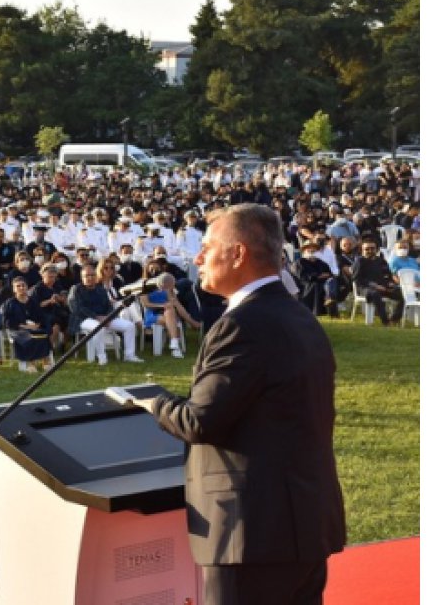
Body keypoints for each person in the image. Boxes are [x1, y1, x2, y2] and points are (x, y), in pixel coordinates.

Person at [119, 203, 346, 605]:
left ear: (238, 254)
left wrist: (152, 402)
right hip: (303, 522)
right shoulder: (298, 316)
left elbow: (199, 421)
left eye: (208, 247)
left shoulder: (242, 325)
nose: (198, 257)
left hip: (253, 533)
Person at [68, 265, 143, 365]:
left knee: (129, 326)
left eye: (92, 275)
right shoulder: (76, 289)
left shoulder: (101, 289)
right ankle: (102, 357)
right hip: (83, 319)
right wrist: (96, 317)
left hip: (104, 318)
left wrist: (108, 317)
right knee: (98, 327)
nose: (90, 278)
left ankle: (129, 355)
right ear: (82, 278)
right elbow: (77, 308)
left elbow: (109, 306)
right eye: (87, 276)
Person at [139, 272, 198, 358]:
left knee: (171, 310)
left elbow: (176, 303)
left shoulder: (168, 287)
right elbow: (146, 304)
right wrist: (162, 305)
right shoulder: (145, 285)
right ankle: (175, 347)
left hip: (168, 313)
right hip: (153, 313)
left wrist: (187, 316)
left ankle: (174, 344)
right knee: (172, 317)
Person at [1, 276, 51, 373]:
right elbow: (7, 322)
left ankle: (45, 361)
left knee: (44, 333)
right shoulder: (10, 303)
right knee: (28, 336)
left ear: (27, 287)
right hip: (17, 329)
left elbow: (41, 316)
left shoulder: (33, 301)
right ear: (14, 289)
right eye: (18, 286)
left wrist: (37, 324)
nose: (21, 288)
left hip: (34, 327)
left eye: (23, 285)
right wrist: (23, 326)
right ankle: (30, 363)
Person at [351, 239, 405, 325]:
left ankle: (394, 319)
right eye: (367, 249)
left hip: (383, 288)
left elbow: (388, 276)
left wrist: (390, 284)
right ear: (362, 250)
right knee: (375, 294)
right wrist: (375, 286)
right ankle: (385, 321)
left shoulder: (381, 261)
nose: (370, 251)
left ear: (376, 249)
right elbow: (357, 279)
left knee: (403, 294)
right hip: (365, 288)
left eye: (372, 248)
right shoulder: (359, 261)